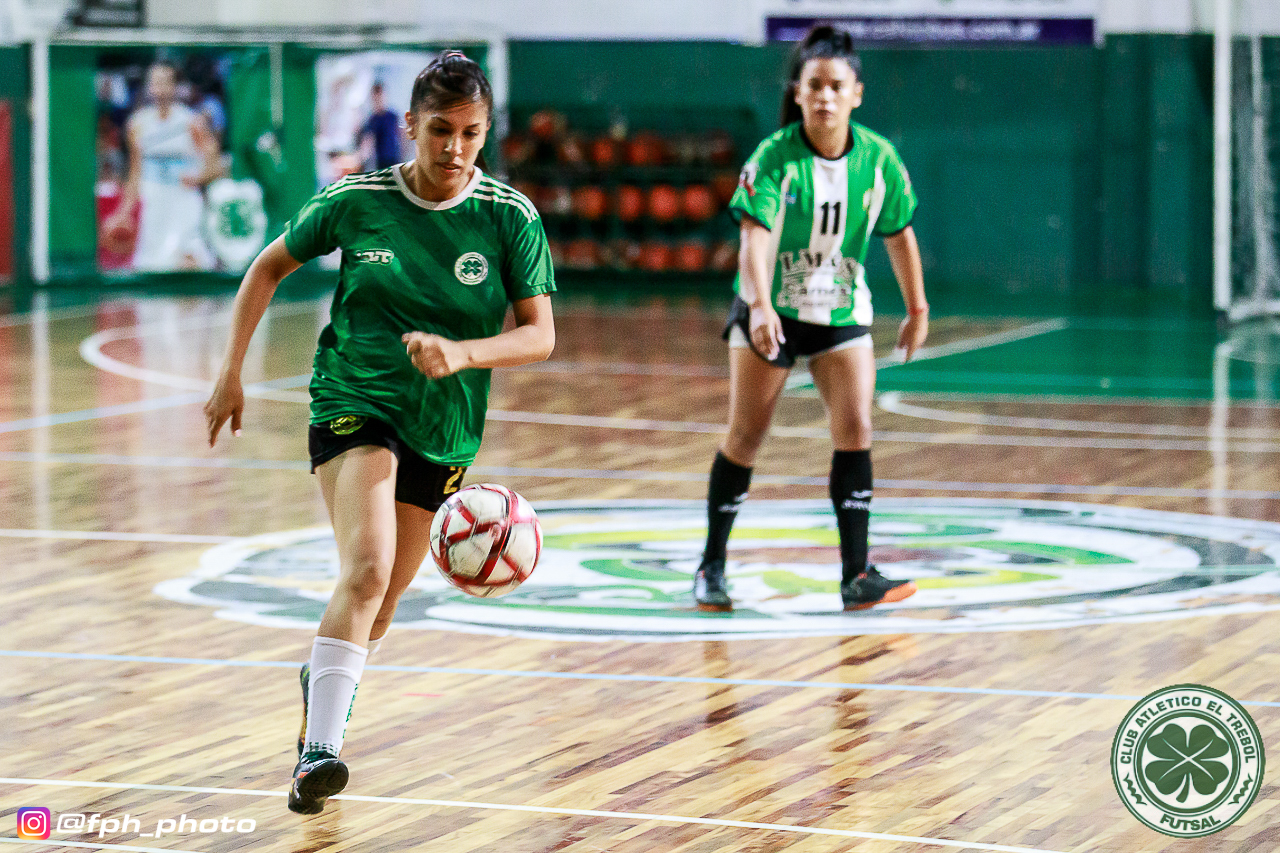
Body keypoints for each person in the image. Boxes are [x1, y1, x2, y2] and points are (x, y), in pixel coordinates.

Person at [203, 51, 555, 815]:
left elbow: (540, 334)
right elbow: (266, 268)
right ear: (410, 126)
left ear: (486, 132)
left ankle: (319, 690)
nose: (454, 149)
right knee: (365, 570)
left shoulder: (508, 216)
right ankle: (319, 754)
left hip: (445, 425)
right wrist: (231, 369)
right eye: (439, 130)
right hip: (353, 398)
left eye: (470, 133)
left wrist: (462, 353)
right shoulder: (358, 200)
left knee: (383, 602)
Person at [694, 26, 928, 613]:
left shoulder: (879, 160)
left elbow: (899, 236)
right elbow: (756, 239)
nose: (824, 96)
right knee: (746, 436)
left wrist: (918, 307)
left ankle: (856, 574)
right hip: (772, 309)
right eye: (814, 85)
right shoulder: (775, 159)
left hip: (841, 310)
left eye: (836, 86)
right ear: (797, 93)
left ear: (857, 94)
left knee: (856, 429)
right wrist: (761, 306)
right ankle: (711, 565)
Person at [102, 60, 222, 271]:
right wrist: (124, 212)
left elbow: (216, 166)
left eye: (166, 82)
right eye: (155, 82)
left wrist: (198, 177)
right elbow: (135, 173)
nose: (160, 88)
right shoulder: (138, 124)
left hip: (184, 204)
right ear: (149, 87)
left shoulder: (192, 122)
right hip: (154, 206)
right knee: (153, 267)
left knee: (189, 264)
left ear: (176, 87)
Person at [358, 82, 403, 171]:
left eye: (380, 96)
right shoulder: (372, 119)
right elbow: (368, 141)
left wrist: (403, 156)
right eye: (376, 97)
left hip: (394, 160)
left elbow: (402, 137)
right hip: (380, 162)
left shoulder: (393, 116)